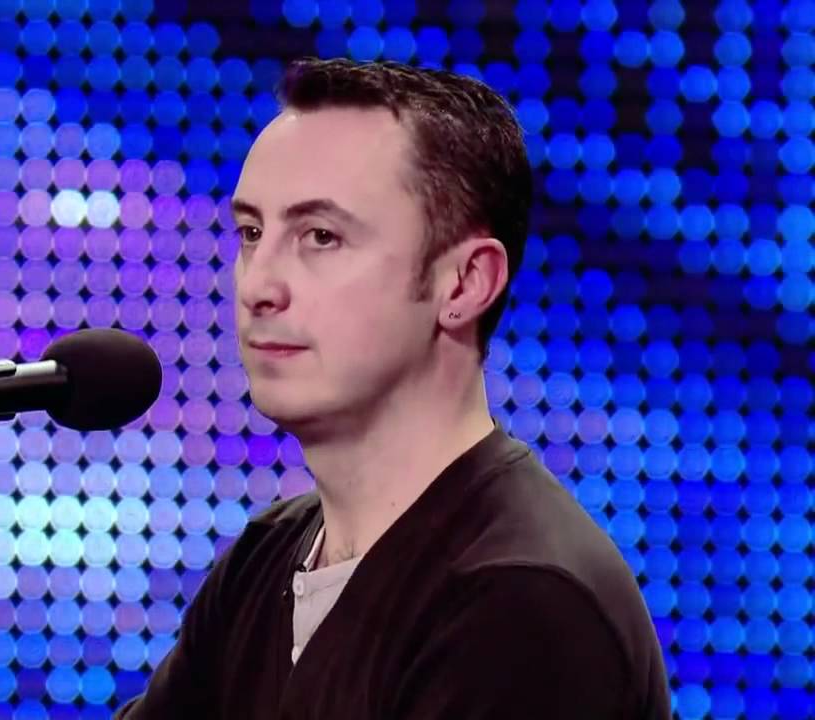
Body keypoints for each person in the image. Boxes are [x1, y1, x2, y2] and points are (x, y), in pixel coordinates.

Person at [116, 58, 671, 719]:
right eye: (252, 233)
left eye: (321, 236)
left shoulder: (521, 601)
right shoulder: (265, 560)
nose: (258, 284)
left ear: (464, 283)